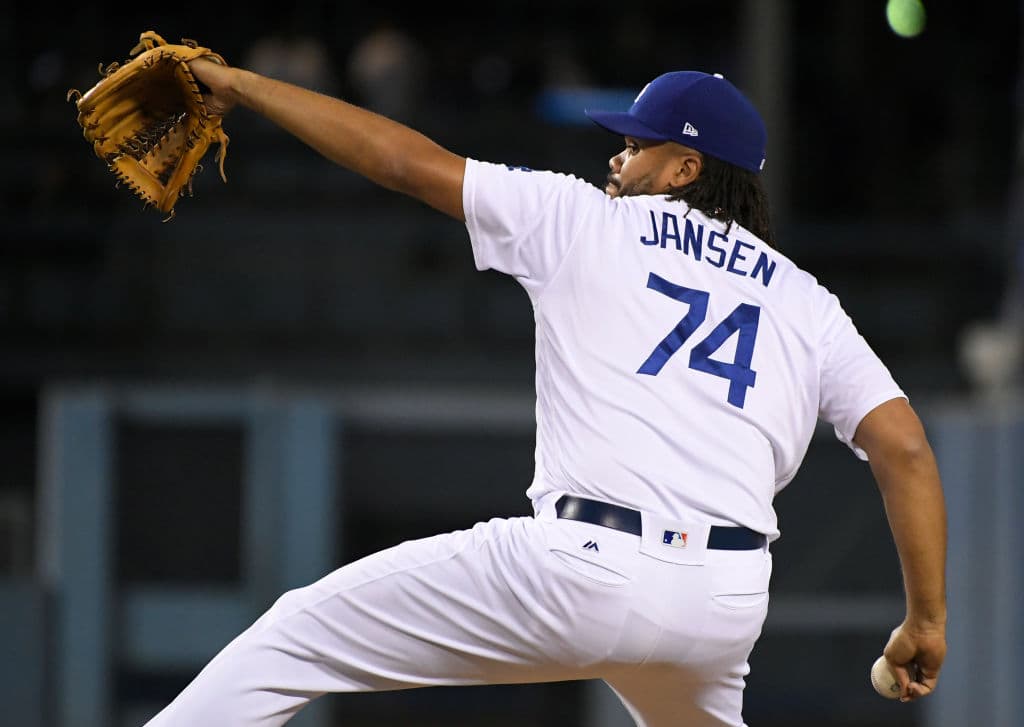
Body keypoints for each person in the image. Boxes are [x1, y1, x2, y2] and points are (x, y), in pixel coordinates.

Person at [141, 57, 948, 727]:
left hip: (580, 569)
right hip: (723, 603)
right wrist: (925, 619)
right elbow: (904, 446)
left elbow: (404, 163)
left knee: (294, 637)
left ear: (686, 168)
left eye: (634, 147)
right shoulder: (805, 299)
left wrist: (243, 86)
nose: (616, 160)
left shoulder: (583, 218)